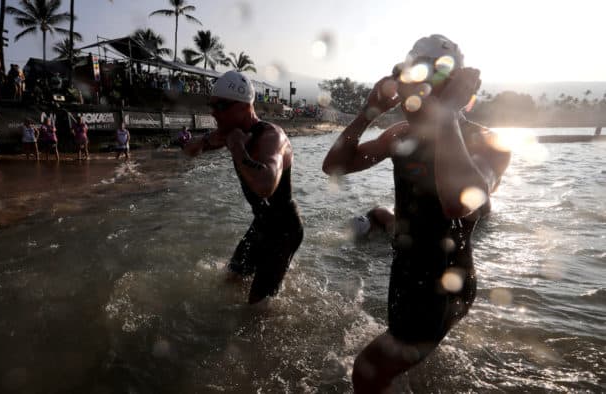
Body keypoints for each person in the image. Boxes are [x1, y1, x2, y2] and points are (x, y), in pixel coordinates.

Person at [322, 35, 511, 392]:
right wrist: (368, 112)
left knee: (368, 370)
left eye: (421, 83)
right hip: (406, 273)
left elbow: (457, 201)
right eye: (405, 79)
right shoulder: (401, 135)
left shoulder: (487, 143)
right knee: (393, 369)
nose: (408, 92)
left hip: (445, 284)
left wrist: (448, 114)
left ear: (447, 91)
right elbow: (334, 165)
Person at [182, 70, 304, 304]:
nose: (213, 112)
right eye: (212, 105)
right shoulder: (228, 133)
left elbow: (266, 185)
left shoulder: (272, 137)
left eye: (220, 106)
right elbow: (191, 150)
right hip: (261, 223)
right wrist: (202, 144)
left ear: (243, 106)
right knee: (231, 279)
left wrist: (238, 147)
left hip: (284, 229)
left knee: (257, 306)